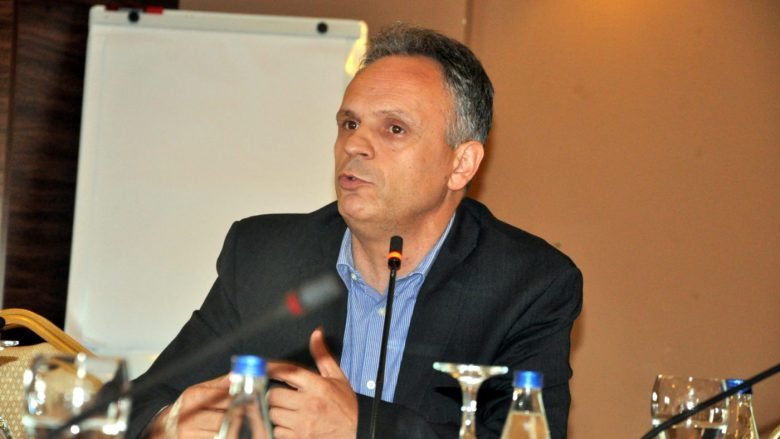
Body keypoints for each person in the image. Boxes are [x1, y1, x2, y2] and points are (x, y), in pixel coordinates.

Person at [127, 23, 582, 439]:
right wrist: (169, 422)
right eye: (350, 124)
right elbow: (135, 407)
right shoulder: (263, 256)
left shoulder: (528, 284)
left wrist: (364, 427)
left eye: (394, 129)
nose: (355, 145)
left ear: (461, 164)